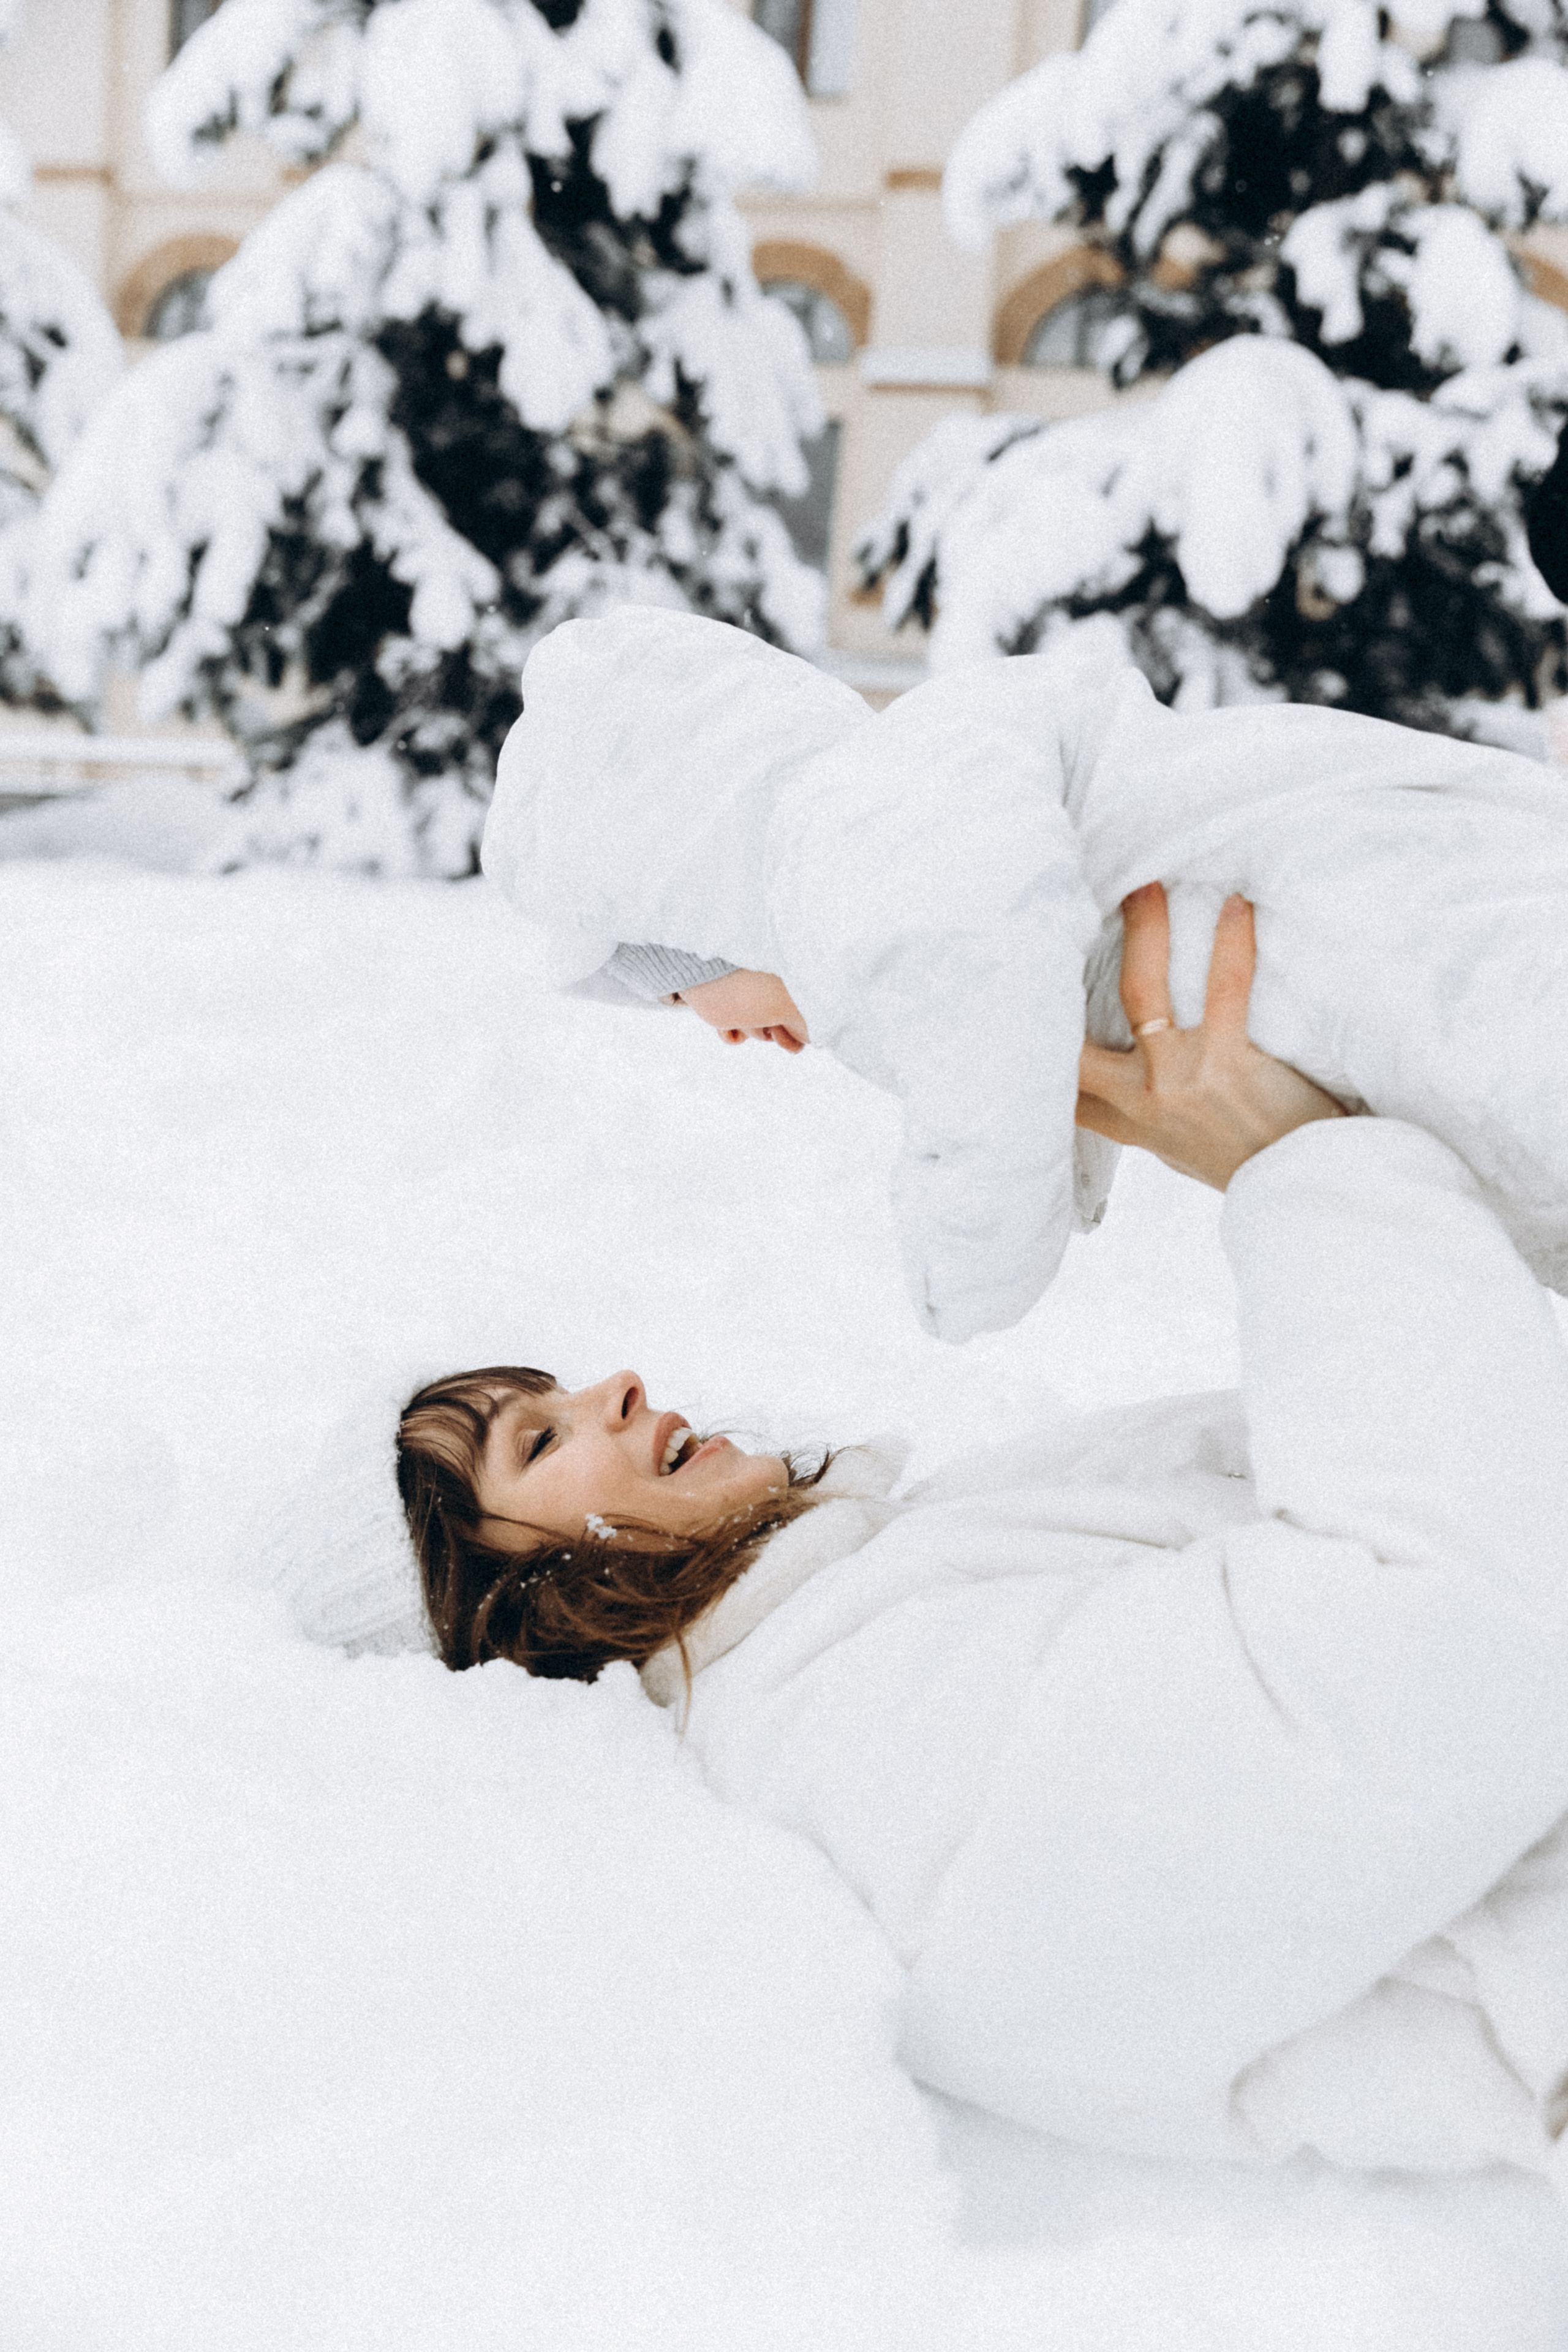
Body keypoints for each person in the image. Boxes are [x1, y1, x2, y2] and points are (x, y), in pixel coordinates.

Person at [375, 888, 1568, 2187]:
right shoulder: (853, 1724)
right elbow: (1442, 1652)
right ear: (518, 1610)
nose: (611, 1388)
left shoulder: (879, 1587)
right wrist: (1310, 1177)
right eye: (538, 1444)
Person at [480, 603, 1568, 1344]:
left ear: (698, 911)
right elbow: (1027, 986)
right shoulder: (910, 822)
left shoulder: (861, 829)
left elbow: (980, 992)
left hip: (1384, 939)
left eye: (679, 991)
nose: (720, 1031)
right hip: (1385, 968)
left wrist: (971, 1252)